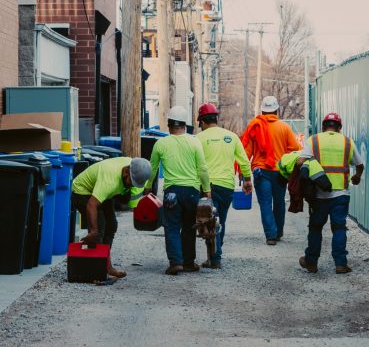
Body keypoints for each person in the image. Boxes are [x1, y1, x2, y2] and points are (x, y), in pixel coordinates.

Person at [145, 105, 211, 275]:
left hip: (172, 192)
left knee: (172, 227)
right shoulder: (194, 141)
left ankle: (175, 262)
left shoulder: (161, 143)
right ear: (185, 124)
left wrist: (147, 188)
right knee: (189, 226)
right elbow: (202, 168)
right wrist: (207, 189)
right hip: (191, 191)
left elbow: (152, 168)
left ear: (169, 125)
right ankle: (189, 262)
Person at [297, 112, 364, 274]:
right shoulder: (347, 142)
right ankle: (340, 264)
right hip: (341, 194)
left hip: (318, 195)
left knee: (315, 227)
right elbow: (360, 164)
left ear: (323, 126)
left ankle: (311, 262)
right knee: (339, 227)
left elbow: (300, 162)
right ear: (339, 127)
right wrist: (356, 177)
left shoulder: (314, 140)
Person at [72, 157, 152, 278]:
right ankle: (95, 271)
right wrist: (93, 231)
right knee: (99, 227)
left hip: (102, 191)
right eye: (131, 182)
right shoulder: (109, 181)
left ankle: (105, 266)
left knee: (112, 225)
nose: (132, 186)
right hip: (82, 191)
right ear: (126, 172)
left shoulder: (135, 167)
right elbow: (91, 204)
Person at [196, 103, 253, 269]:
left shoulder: (198, 139)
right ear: (216, 119)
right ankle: (214, 256)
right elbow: (243, 160)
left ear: (202, 122)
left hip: (206, 187)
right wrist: (247, 180)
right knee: (220, 220)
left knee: (208, 222)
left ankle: (215, 257)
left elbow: (195, 164)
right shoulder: (231, 137)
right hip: (227, 186)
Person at [241, 96, 300, 245]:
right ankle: (278, 231)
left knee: (265, 203)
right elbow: (295, 149)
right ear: (276, 110)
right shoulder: (284, 127)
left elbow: (246, 152)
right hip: (279, 171)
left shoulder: (255, 126)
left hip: (260, 171)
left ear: (262, 110)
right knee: (279, 202)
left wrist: (243, 173)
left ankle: (270, 235)